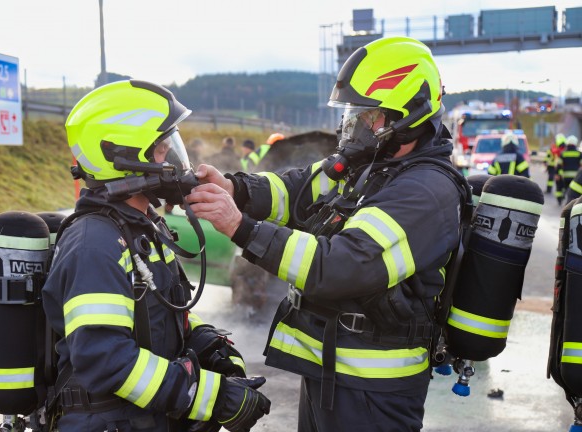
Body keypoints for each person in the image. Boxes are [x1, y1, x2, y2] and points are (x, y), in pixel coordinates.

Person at [186, 37, 466, 432]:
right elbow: (296, 191)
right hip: (333, 373)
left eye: (369, 115)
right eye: (354, 111)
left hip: (375, 393)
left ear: (409, 115)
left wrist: (240, 227)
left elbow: (338, 266)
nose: (355, 123)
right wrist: (236, 189)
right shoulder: (371, 167)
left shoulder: (424, 192)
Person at [42, 80, 270, 432]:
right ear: (123, 156)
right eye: (163, 149)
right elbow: (105, 358)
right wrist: (210, 397)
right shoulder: (95, 243)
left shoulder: (143, 229)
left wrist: (208, 344)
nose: (176, 161)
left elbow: (163, 311)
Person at [556, 134, 582, 205]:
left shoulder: (563, 153)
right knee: (575, 192)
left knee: (565, 189)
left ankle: (562, 200)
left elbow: (559, 165)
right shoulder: (579, 154)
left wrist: (557, 174)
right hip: (576, 177)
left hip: (565, 176)